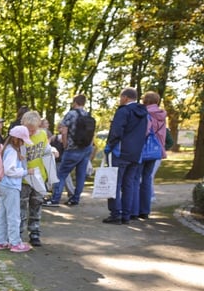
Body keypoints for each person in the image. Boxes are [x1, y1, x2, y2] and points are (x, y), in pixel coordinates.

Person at [103, 88, 148, 224]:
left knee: (115, 183)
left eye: (120, 97)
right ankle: (126, 215)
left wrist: (109, 146)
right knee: (128, 184)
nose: (119, 99)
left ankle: (116, 214)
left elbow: (117, 131)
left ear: (126, 98)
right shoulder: (143, 113)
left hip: (120, 152)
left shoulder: (123, 111)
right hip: (136, 154)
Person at [46, 95, 95, 207]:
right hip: (86, 149)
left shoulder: (71, 114)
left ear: (74, 102)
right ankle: (75, 199)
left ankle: (55, 199)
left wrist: (65, 145)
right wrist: (90, 146)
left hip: (73, 149)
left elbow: (64, 131)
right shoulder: (88, 115)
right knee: (81, 175)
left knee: (61, 174)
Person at [0, 126, 34, 253]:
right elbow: (10, 170)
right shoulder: (11, 152)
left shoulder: (7, 149)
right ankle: (15, 243)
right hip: (10, 186)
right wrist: (26, 171)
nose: (23, 143)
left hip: (3, 184)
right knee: (13, 215)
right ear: (17, 139)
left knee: (3, 214)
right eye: (22, 140)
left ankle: (0, 241)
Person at [133, 91, 168, 220]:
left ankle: (134, 210)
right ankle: (145, 210)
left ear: (145, 101)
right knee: (147, 179)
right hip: (155, 151)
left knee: (136, 179)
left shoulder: (144, 114)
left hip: (143, 150)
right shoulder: (162, 115)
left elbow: (145, 132)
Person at [20, 110, 53, 246]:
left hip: (39, 176)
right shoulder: (19, 136)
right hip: (24, 177)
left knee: (36, 204)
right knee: (21, 206)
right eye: (28, 130)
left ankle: (34, 232)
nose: (31, 133)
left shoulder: (43, 135)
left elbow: (46, 150)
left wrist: (53, 151)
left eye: (33, 130)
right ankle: (18, 233)